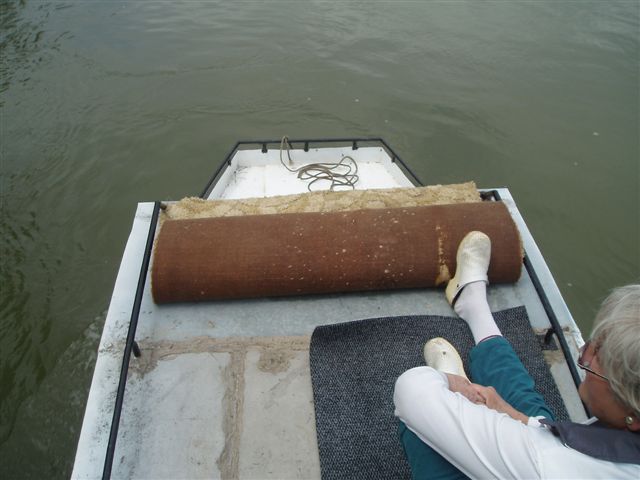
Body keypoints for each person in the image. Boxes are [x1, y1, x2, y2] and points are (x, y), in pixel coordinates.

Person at [393, 231, 640, 479]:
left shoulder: (555, 466)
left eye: (596, 358)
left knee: (424, 424)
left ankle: (458, 390)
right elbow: (542, 440)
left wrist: (449, 382)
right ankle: (473, 306)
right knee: (531, 413)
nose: (584, 357)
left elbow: (412, 391)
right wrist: (514, 416)